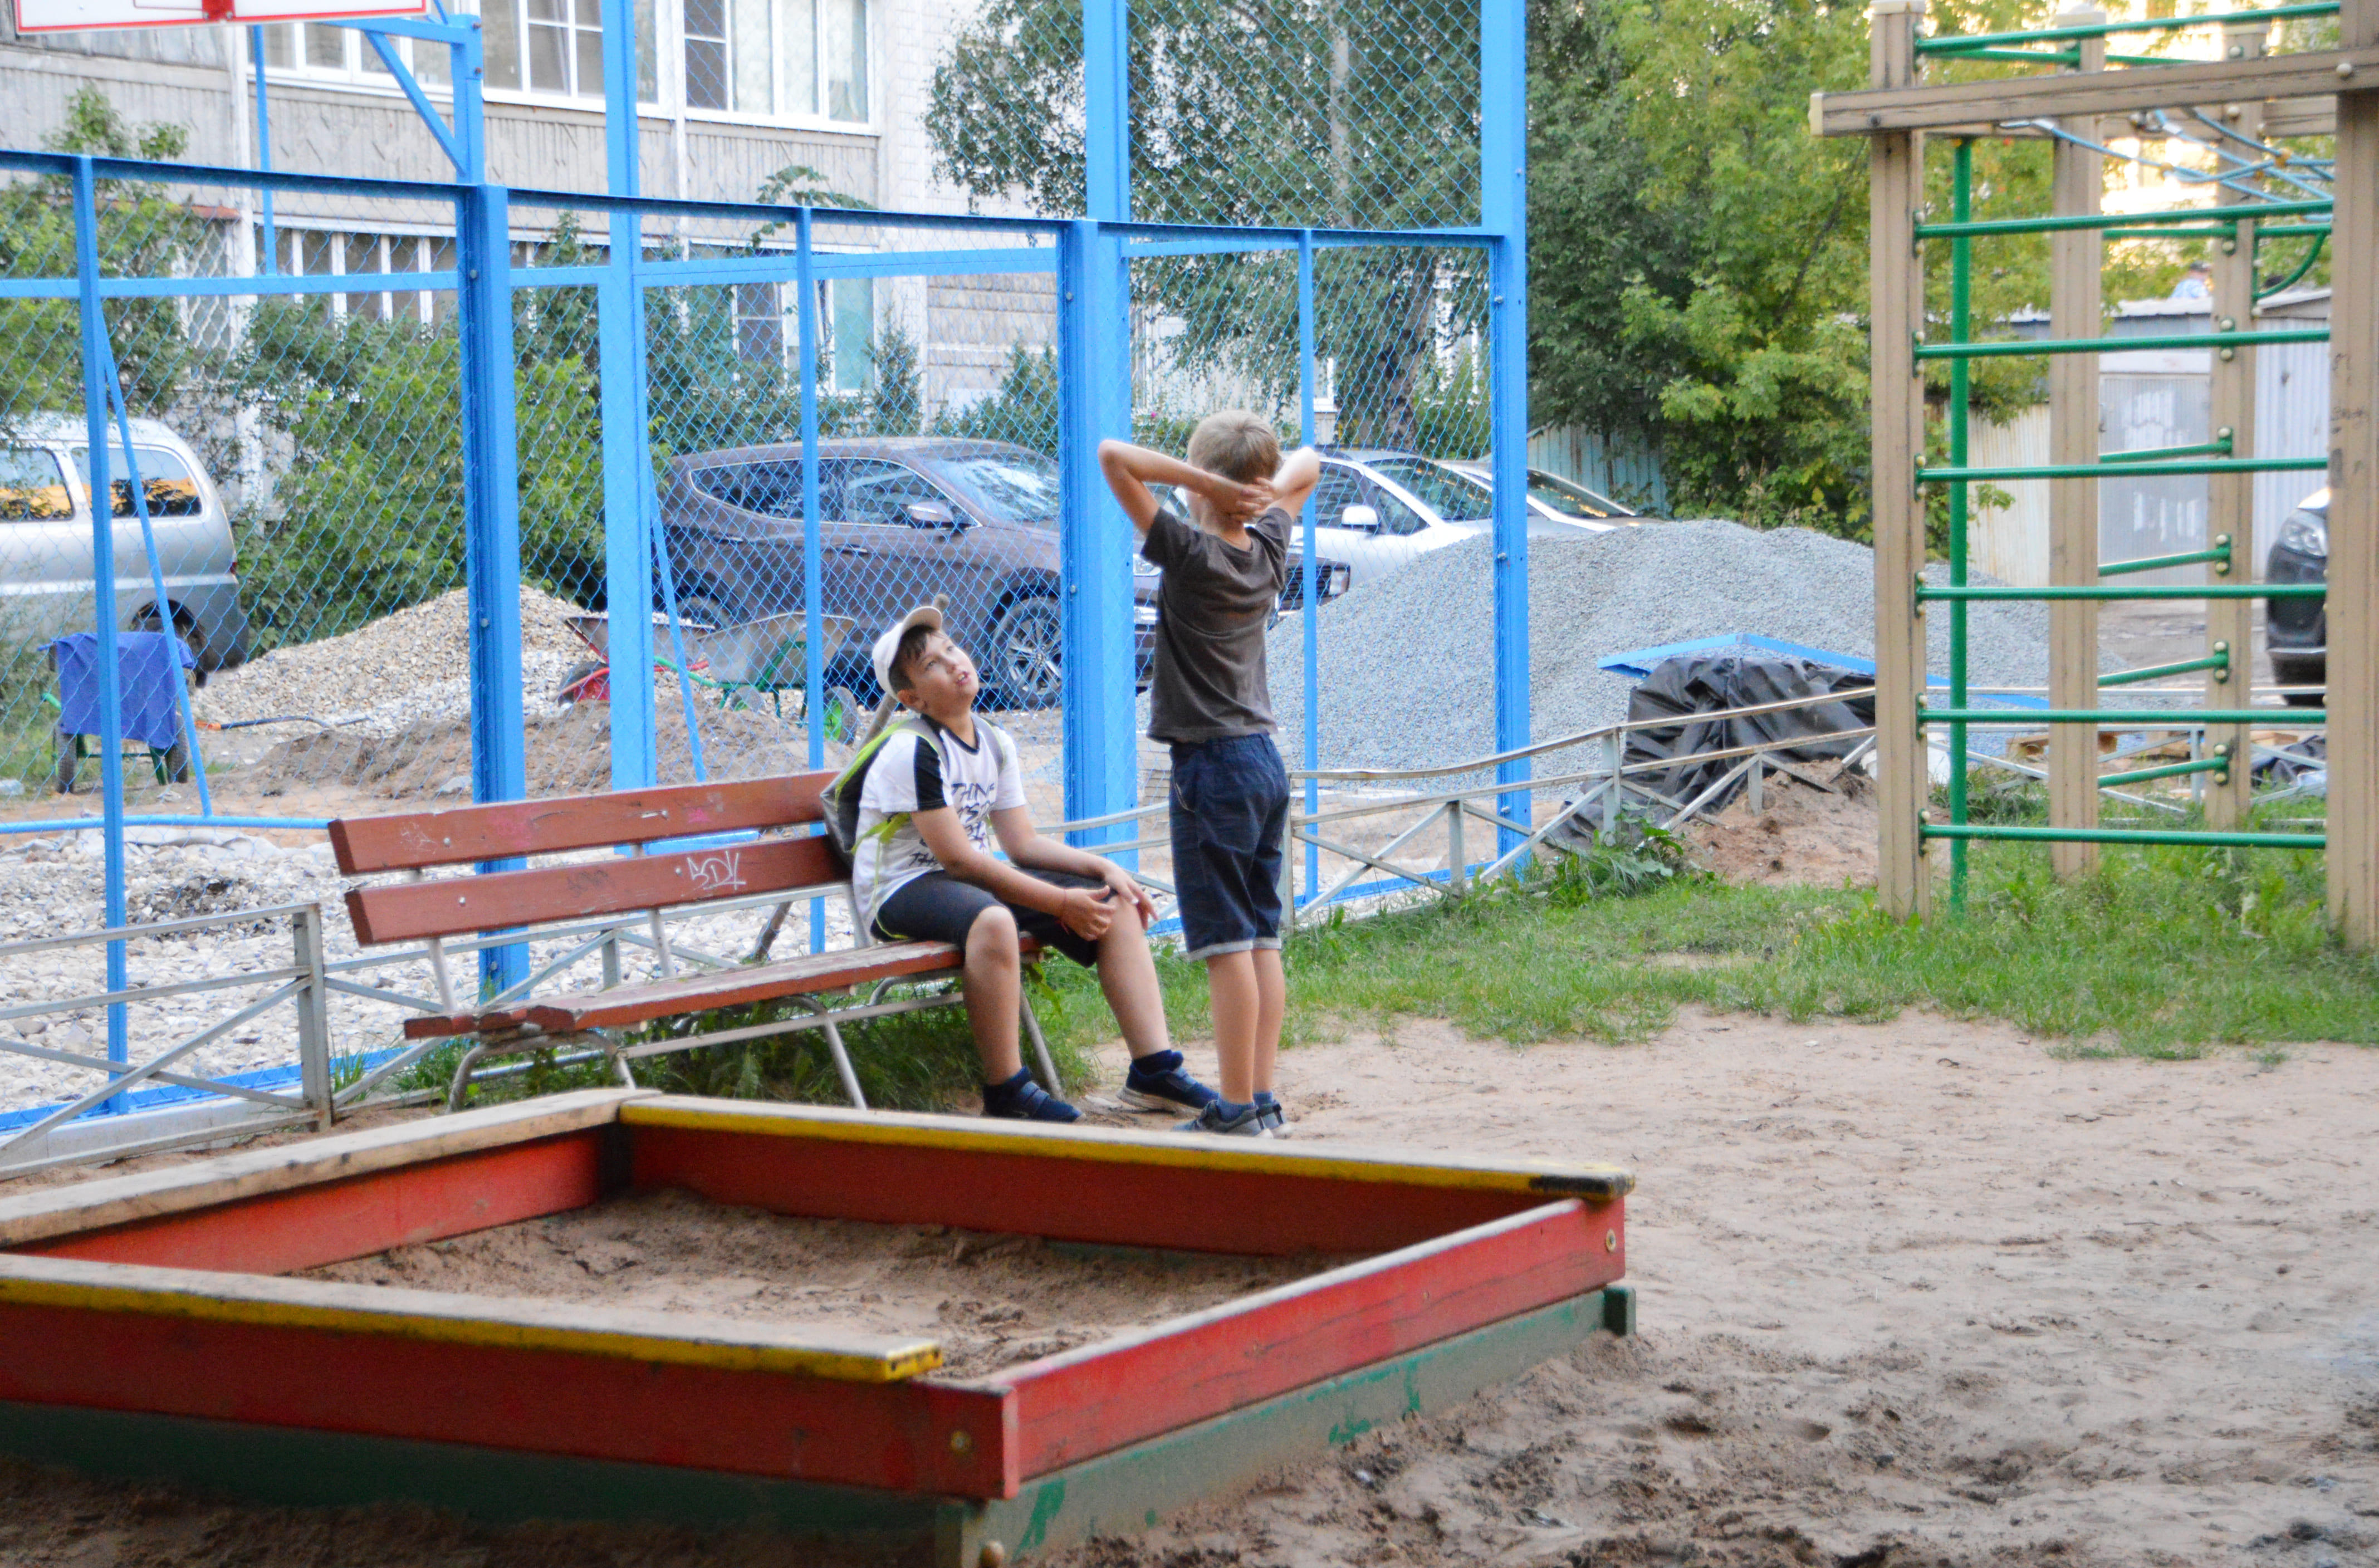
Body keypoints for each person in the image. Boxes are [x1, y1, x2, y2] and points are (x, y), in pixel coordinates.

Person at [849, 606, 1220, 1124]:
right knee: (994, 920)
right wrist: (1059, 902)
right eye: (932, 665)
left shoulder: (995, 742)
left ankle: (1153, 1071)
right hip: (901, 889)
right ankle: (1006, 1089)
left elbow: (1021, 844)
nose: (954, 663)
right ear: (912, 698)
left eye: (951, 648)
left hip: (962, 881)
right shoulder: (912, 748)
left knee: (1113, 901)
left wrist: (1101, 870)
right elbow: (958, 861)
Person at [1098, 415, 1320, 1138]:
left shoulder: (1188, 552)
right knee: (1261, 938)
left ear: (1203, 483)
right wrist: (1259, 494)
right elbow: (1311, 463)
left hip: (1212, 769)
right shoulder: (1266, 546)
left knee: (1228, 945)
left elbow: (1114, 458)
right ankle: (1261, 1101)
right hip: (1264, 762)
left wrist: (1204, 485)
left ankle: (1231, 1110)